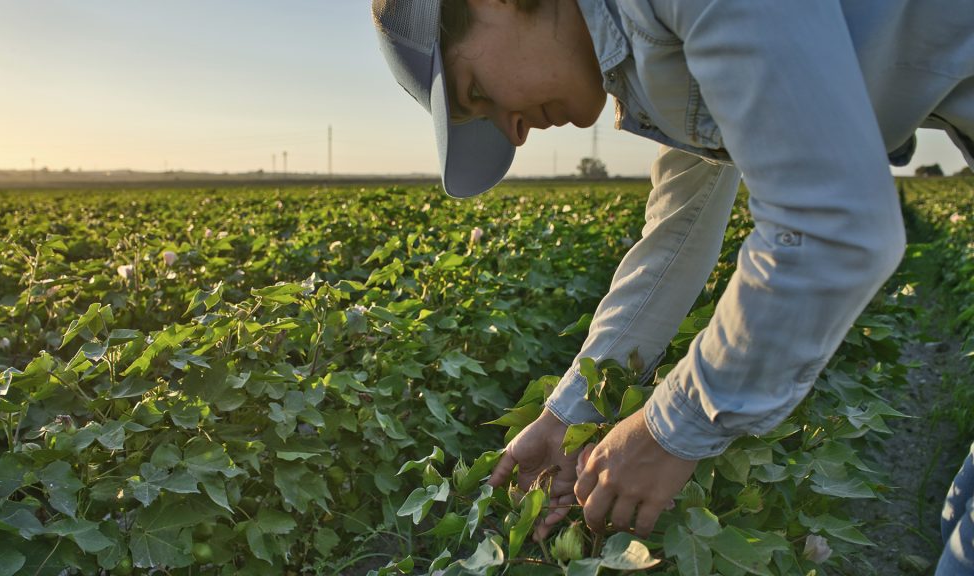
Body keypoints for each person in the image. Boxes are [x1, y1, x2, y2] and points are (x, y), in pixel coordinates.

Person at [371, 0, 974, 568]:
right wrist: (566, 412)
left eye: (478, 92)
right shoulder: (651, 45)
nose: (515, 130)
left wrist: (669, 430)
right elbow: (681, 229)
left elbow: (834, 224)